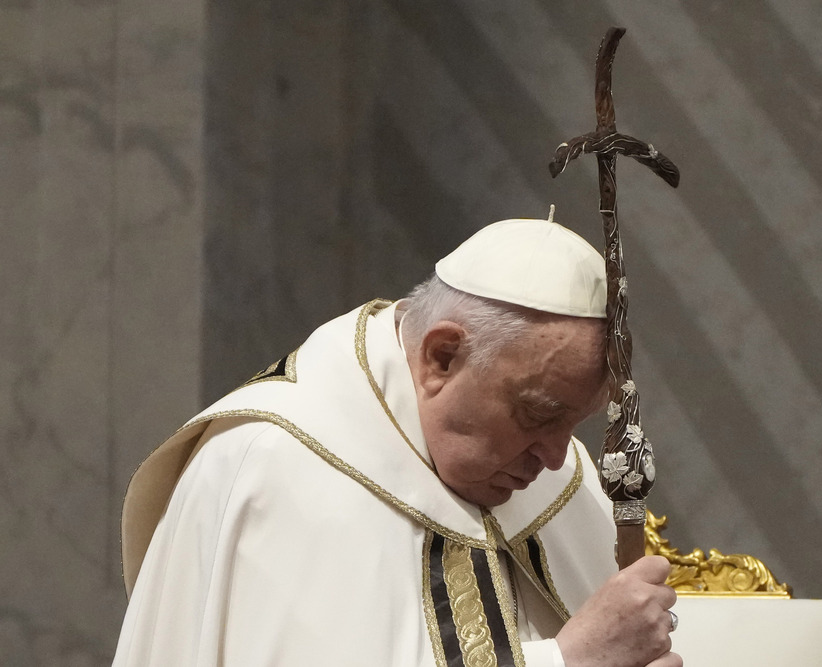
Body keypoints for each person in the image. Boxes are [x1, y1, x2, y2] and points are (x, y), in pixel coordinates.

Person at [113, 218, 682, 667]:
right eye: (537, 415)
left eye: (574, 423)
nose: (557, 457)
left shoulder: (559, 477)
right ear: (441, 357)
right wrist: (566, 662)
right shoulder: (275, 466)